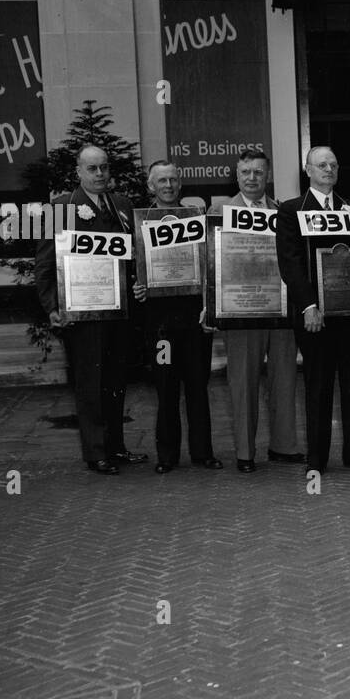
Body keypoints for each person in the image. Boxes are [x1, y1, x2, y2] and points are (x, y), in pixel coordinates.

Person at [34, 144, 148, 474]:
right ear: (78, 173)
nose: (99, 174)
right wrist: (52, 306)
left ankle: (116, 447)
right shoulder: (60, 209)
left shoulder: (123, 205)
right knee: (89, 383)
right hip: (82, 316)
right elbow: (43, 263)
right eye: (92, 169)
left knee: (115, 381)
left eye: (104, 168)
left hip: (118, 313)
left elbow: (133, 257)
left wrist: (139, 282)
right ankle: (96, 452)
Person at [276, 146, 350, 474]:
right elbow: (291, 264)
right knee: (318, 384)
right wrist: (308, 305)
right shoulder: (291, 210)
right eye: (321, 165)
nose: (329, 169)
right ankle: (317, 459)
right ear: (307, 170)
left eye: (334, 164)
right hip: (315, 316)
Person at [209, 151, 303, 473]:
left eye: (258, 172)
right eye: (246, 172)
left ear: (268, 175)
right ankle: (245, 453)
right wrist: (210, 308)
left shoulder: (283, 211)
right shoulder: (220, 211)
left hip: (280, 311)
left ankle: (284, 445)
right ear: (237, 174)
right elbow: (211, 263)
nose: (252, 178)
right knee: (243, 382)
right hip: (240, 312)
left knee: (285, 378)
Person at [134, 160, 220, 474]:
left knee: (198, 388)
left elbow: (210, 266)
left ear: (179, 184)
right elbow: (135, 269)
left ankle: (203, 453)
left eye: (172, 179)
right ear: (150, 186)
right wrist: (138, 287)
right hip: (160, 327)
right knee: (166, 388)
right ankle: (167, 456)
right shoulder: (141, 223)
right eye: (161, 181)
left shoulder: (195, 218)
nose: (168, 185)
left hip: (195, 320)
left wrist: (209, 304)